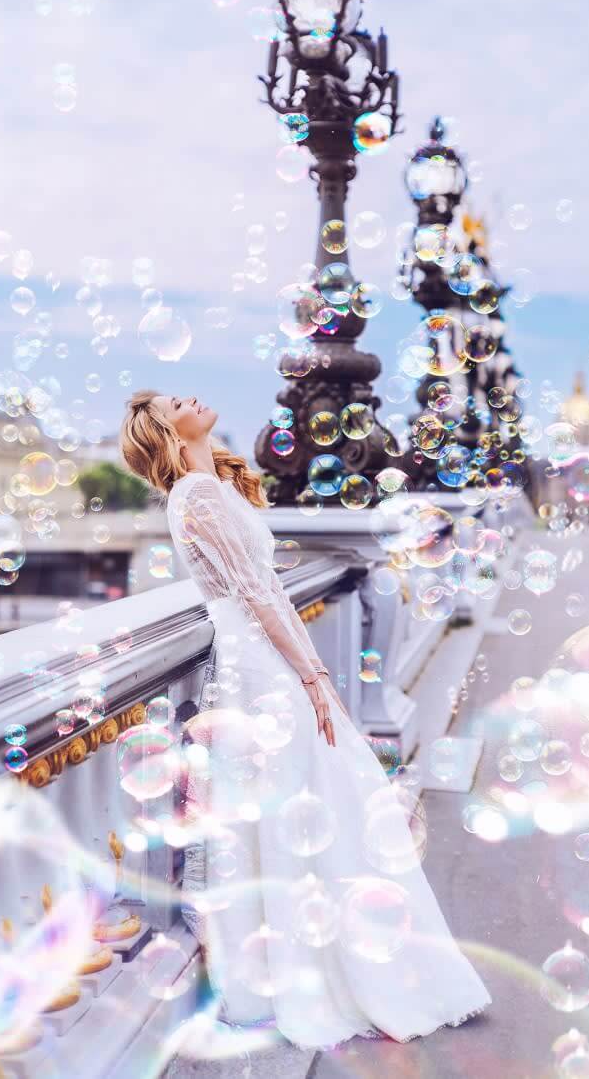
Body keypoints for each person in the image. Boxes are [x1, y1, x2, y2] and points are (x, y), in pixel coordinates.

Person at [120, 389, 492, 1050]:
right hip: (259, 669)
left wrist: (312, 674)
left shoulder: (212, 488)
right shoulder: (196, 496)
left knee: (302, 805)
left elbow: (269, 593)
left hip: (266, 663)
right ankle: (325, 971)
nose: (194, 396)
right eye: (176, 400)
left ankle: (313, 965)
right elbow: (257, 594)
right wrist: (314, 677)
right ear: (167, 431)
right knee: (305, 802)